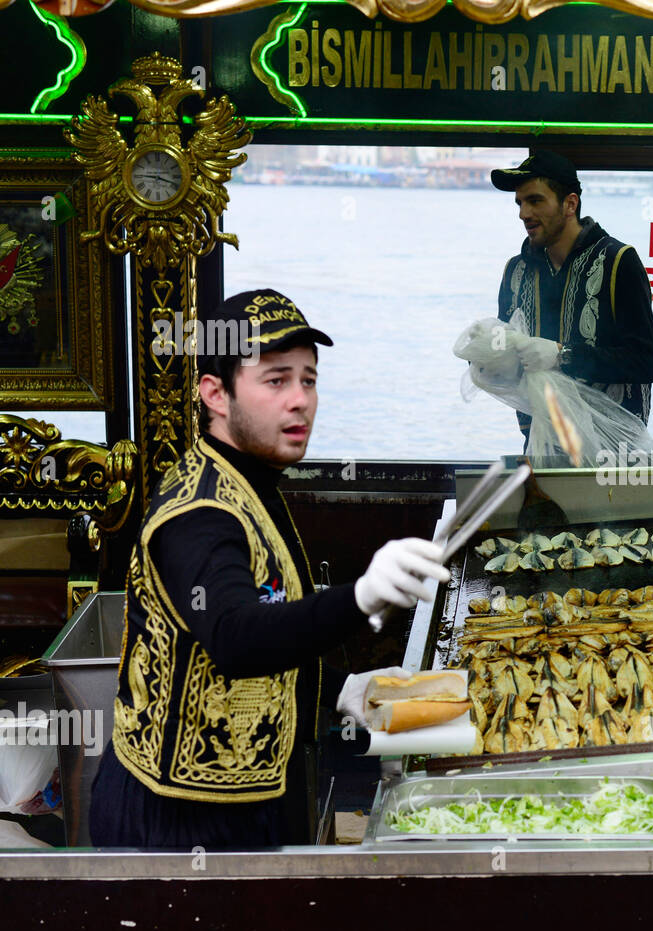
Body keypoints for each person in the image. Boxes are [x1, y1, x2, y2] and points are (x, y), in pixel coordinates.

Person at [90, 289, 449, 849]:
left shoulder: (250, 478)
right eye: (276, 380)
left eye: (308, 380)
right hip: (177, 820)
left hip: (250, 796)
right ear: (215, 393)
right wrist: (362, 597)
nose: (300, 400)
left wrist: (340, 688)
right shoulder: (199, 514)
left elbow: (273, 616)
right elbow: (236, 636)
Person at [491, 149, 653, 444]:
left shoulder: (618, 261)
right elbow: (505, 348)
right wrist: (486, 353)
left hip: (613, 451)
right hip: (540, 447)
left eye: (535, 200)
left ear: (570, 204)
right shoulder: (515, 271)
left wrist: (562, 355)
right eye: (519, 203)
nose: (523, 213)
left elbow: (646, 362)